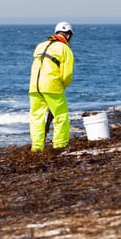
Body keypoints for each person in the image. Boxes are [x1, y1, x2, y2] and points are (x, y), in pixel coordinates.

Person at [29, 22, 75, 152]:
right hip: (52, 85)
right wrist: (62, 86)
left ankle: (37, 147)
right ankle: (60, 145)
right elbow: (67, 74)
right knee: (61, 115)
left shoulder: (40, 46)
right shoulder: (65, 49)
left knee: (36, 117)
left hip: (34, 86)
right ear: (68, 36)